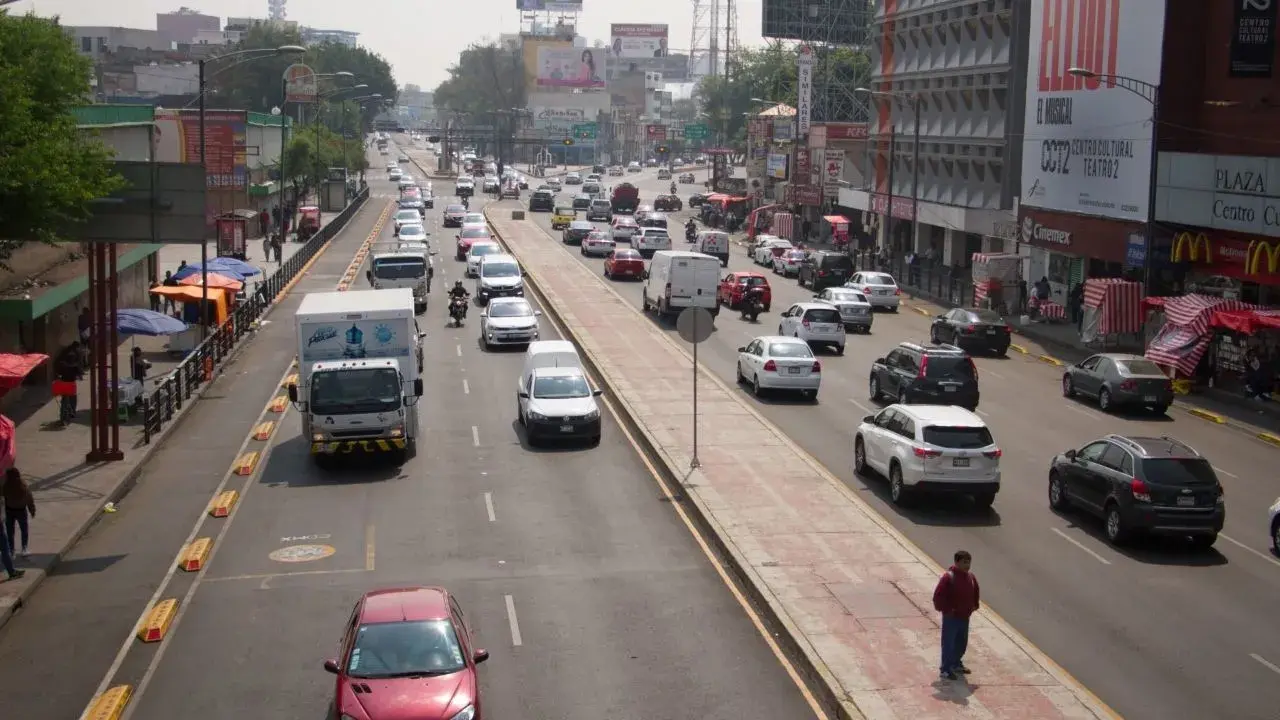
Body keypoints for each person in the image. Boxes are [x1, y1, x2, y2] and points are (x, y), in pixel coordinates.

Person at [933, 549, 980, 680]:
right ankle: (945, 669)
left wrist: (975, 605)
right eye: (965, 562)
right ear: (957, 562)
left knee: (961, 642)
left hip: (965, 616)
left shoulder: (970, 577)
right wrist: (947, 610)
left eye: (969, 562)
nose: (967, 565)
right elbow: (938, 596)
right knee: (949, 643)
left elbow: (975, 591)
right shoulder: (949, 577)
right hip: (951, 617)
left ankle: (956, 663)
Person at [3, 468, 35, 561]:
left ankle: (12, 551)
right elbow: (29, 498)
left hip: (9, 510)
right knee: (24, 529)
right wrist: (32, 510)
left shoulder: (6, 486)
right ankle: (24, 548)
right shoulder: (23, 485)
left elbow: (3, 497)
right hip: (21, 510)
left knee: (10, 531)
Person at [54, 341, 85, 426]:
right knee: (73, 397)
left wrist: (57, 376)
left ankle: (62, 414)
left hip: (63, 383)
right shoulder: (75, 365)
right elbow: (79, 372)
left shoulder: (63, 362)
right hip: (71, 384)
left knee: (64, 397)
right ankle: (73, 412)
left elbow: (58, 371)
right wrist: (80, 376)